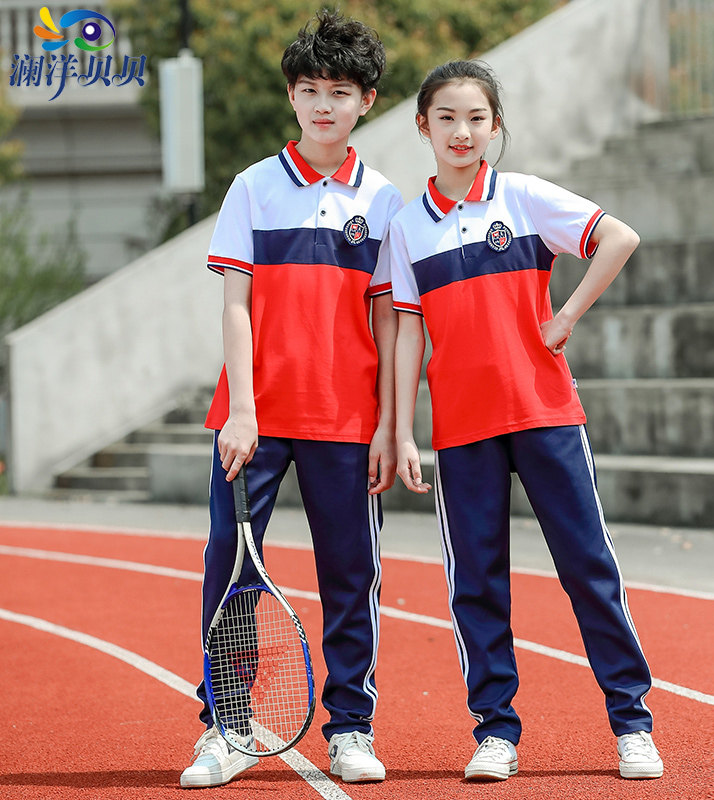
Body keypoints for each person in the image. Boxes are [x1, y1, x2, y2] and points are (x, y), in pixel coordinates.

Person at [389, 60, 663, 782]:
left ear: (495, 126)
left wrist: (566, 315)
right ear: (423, 126)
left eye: (476, 118)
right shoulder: (406, 226)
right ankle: (495, 732)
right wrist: (403, 429)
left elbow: (619, 237)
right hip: (462, 429)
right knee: (476, 584)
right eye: (446, 117)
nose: (461, 131)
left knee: (588, 568)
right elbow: (408, 331)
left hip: (545, 414)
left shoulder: (525, 197)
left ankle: (632, 724)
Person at [180, 10, 402, 788]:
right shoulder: (253, 187)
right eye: (309, 90)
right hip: (255, 419)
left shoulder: (385, 200)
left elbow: (389, 320)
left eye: (339, 92)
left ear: (366, 101)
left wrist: (389, 424)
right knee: (230, 569)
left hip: (347, 421)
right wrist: (243, 410)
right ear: (291, 97)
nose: (322, 105)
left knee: (351, 575)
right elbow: (235, 305)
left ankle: (351, 728)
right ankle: (228, 727)